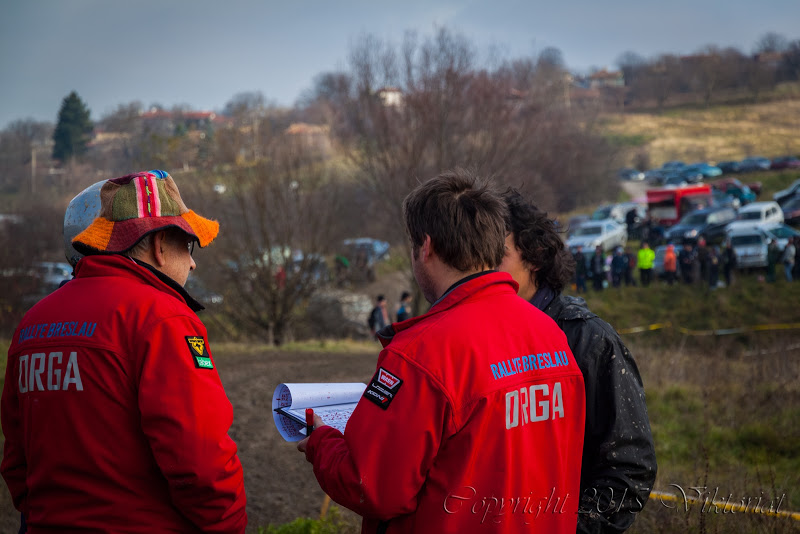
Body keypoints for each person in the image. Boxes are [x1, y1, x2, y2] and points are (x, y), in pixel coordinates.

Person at [298, 170, 586, 533]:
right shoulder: (552, 335)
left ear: (426, 247)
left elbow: (372, 486)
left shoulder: (420, 354)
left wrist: (322, 444)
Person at [1, 170, 248, 532]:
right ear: (159, 245)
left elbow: (15, 461)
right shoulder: (164, 318)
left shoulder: (32, 323)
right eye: (189, 245)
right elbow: (200, 461)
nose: (193, 262)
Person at [499, 190, 657, 533]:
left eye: (498, 254)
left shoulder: (589, 340)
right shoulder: (482, 335)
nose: (483, 268)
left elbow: (631, 466)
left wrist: (569, 528)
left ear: (535, 258)